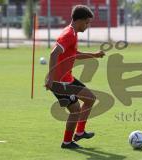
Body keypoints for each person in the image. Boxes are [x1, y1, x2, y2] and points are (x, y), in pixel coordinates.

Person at [45, 5, 105, 149]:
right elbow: (54, 53)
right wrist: (50, 78)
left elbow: (74, 54)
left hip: (68, 79)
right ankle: (67, 142)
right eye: (87, 22)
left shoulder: (73, 33)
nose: (88, 25)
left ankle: (79, 132)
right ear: (79, 21)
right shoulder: (68, 34)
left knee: (90, 99)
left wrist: (93, 55)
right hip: (60, 83)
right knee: (75, 110)